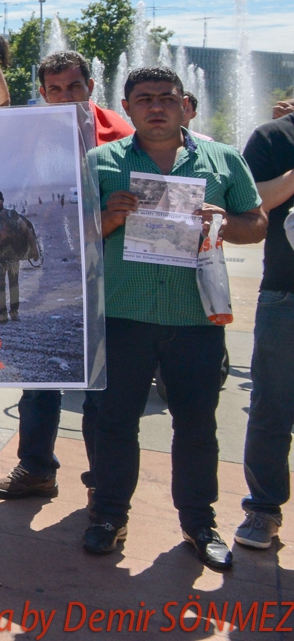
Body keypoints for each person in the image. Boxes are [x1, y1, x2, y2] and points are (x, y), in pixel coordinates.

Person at [83, 65, 264, 566]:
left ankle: (199, 521)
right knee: (116, 423)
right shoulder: (101, 162)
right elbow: (71, 238)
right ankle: (108, 515)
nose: (156, 106)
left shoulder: (222, 159)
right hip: (124, 314)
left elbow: (258, 222)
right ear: (129, 106)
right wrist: (109, 219)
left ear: (185, 103)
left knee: (196, 425)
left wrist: (223, 222)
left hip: (195, 316)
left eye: (167, 97)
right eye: (144, 98)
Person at [0, 48, 136, 502]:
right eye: (55, 89)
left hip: (107, 273)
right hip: (47, 275)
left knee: (100, 390)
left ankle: (102, 484)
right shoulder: (28, 134)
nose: (65, 95)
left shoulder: (119, 131)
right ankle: (35, 469)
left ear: (91, 86)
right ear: (42, 92)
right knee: (42, 375)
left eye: (74, 86)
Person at [238, 101, 294, 549]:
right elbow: (249, 206)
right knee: (272, 405)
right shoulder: (274, 137)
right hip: (285, 293)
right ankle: (263, 508)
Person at [0, 190, 34, 323]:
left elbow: (26, 230)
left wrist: (33, 249)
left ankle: (14, 312)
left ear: (3, 200)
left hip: (13, 255)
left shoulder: (12, 214)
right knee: (0, 285)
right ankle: (2, 313)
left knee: (13, 284)